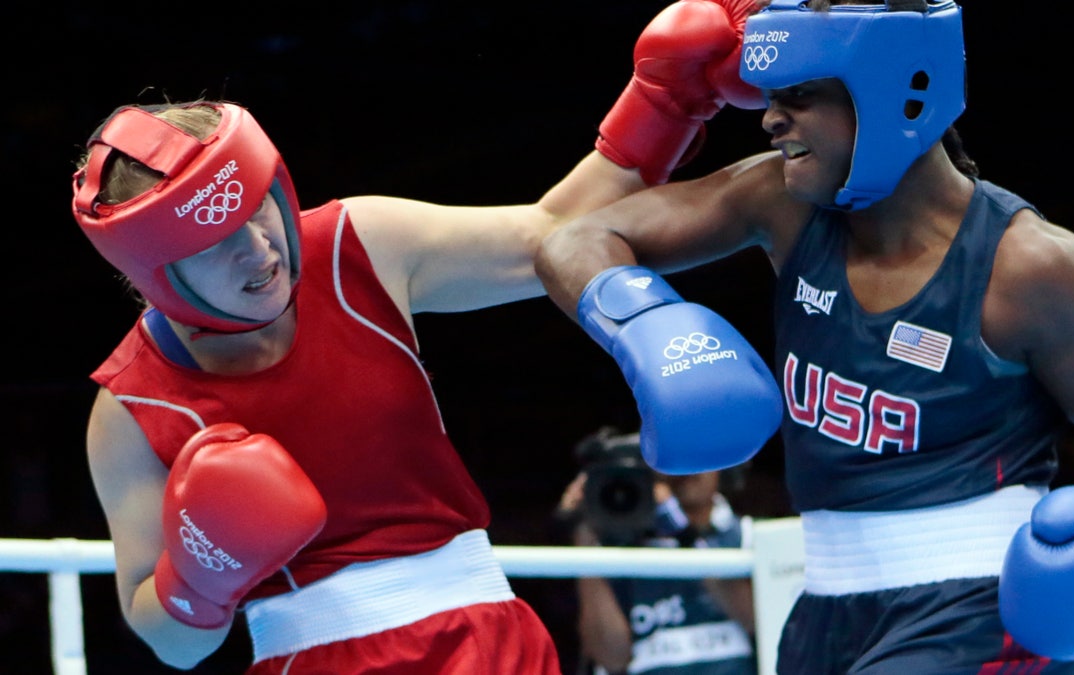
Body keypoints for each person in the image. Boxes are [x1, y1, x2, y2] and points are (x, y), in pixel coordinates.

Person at [69, 1, 773, 672]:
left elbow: (549, 235)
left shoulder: (357, 244)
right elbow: (173, 645)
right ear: (157, 273)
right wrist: (201, 571)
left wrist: (664, 103)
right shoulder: (133, 409)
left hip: (487, 637)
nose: (259, 251)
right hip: (310, 659)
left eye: (260, 211)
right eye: (217, 243)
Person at [533, 1, 1074, 673]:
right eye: (772, 97)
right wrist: (647, 324)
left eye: (800, 96)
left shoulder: (1029, 266)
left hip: (975, 609)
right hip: (823, 612)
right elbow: (573, 241)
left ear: (895, 93)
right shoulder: (783, 205)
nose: (771, 118)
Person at [556, 427, 756, 675]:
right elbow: (612, 658)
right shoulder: (614, 546)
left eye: (699, 454)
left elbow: (756, 619)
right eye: (674, 457)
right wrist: (584, 535)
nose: (688, 468)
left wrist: (681, 531)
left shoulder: (746, 535)